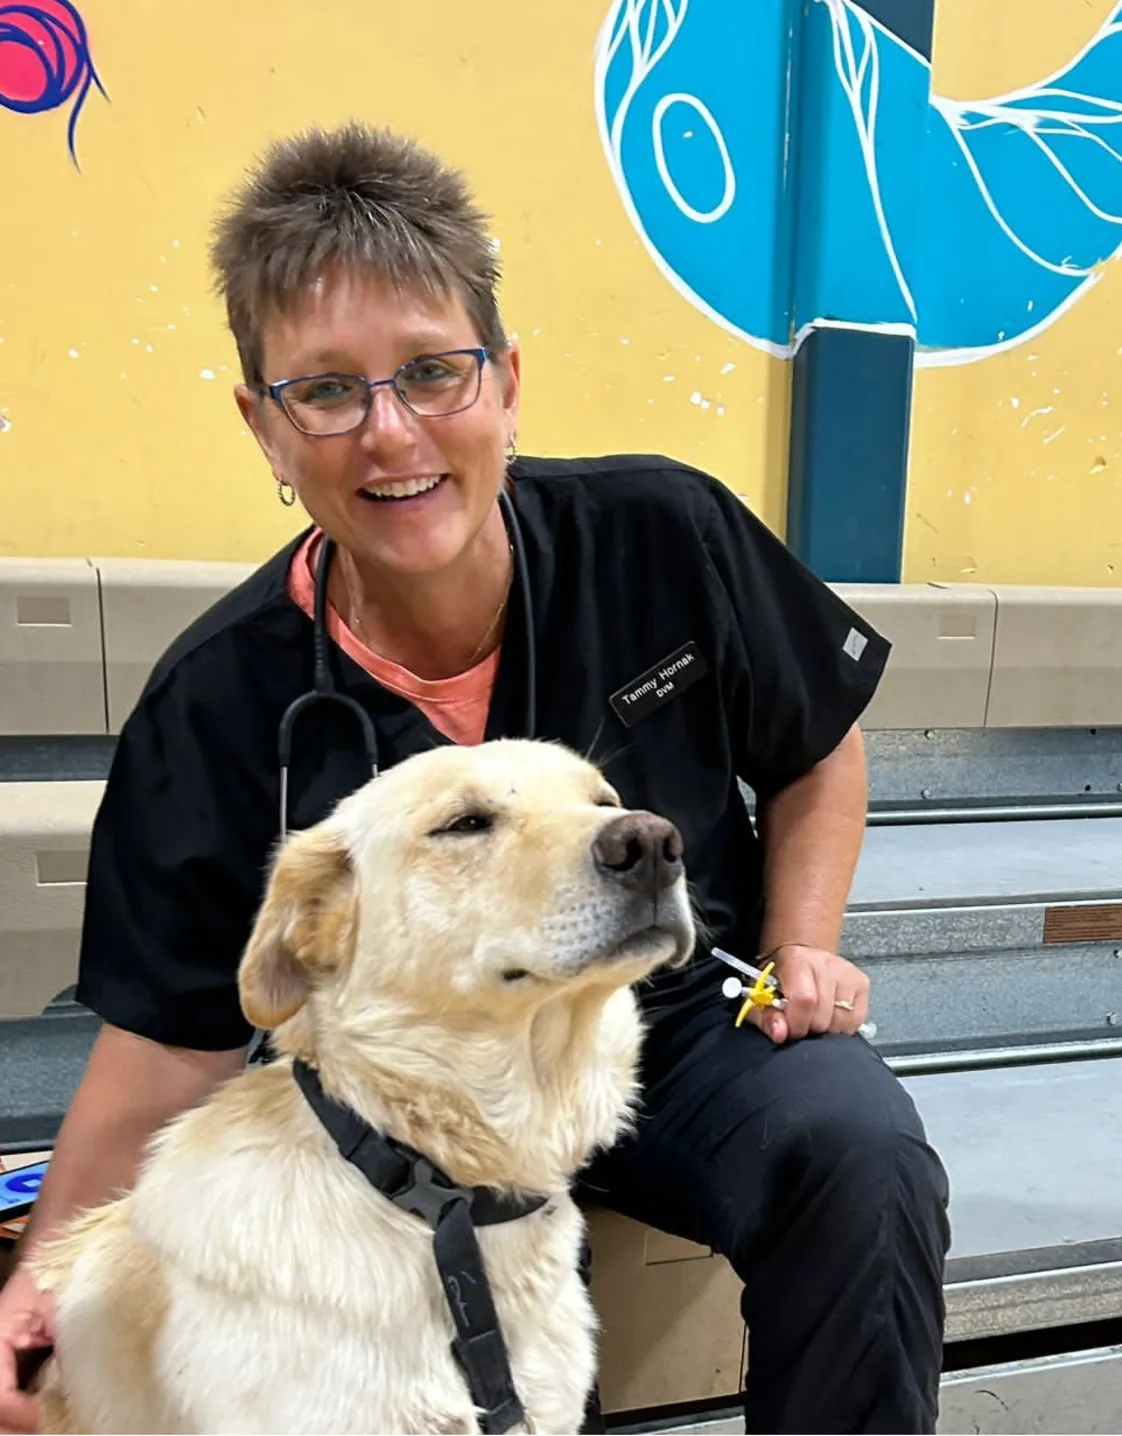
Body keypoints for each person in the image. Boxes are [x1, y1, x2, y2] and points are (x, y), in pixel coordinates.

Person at [0, 122, 950, 1435]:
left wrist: (799, 947)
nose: (391, 434)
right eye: (325, 392)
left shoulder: (665, 533)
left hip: (667, 1028)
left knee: (856, 1148)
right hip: (416, 1093)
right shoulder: (217, 702)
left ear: (505, 381)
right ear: (263, 429)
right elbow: (167, 1044)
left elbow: (812, 749)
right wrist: (42, 1285)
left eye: (433, 373)